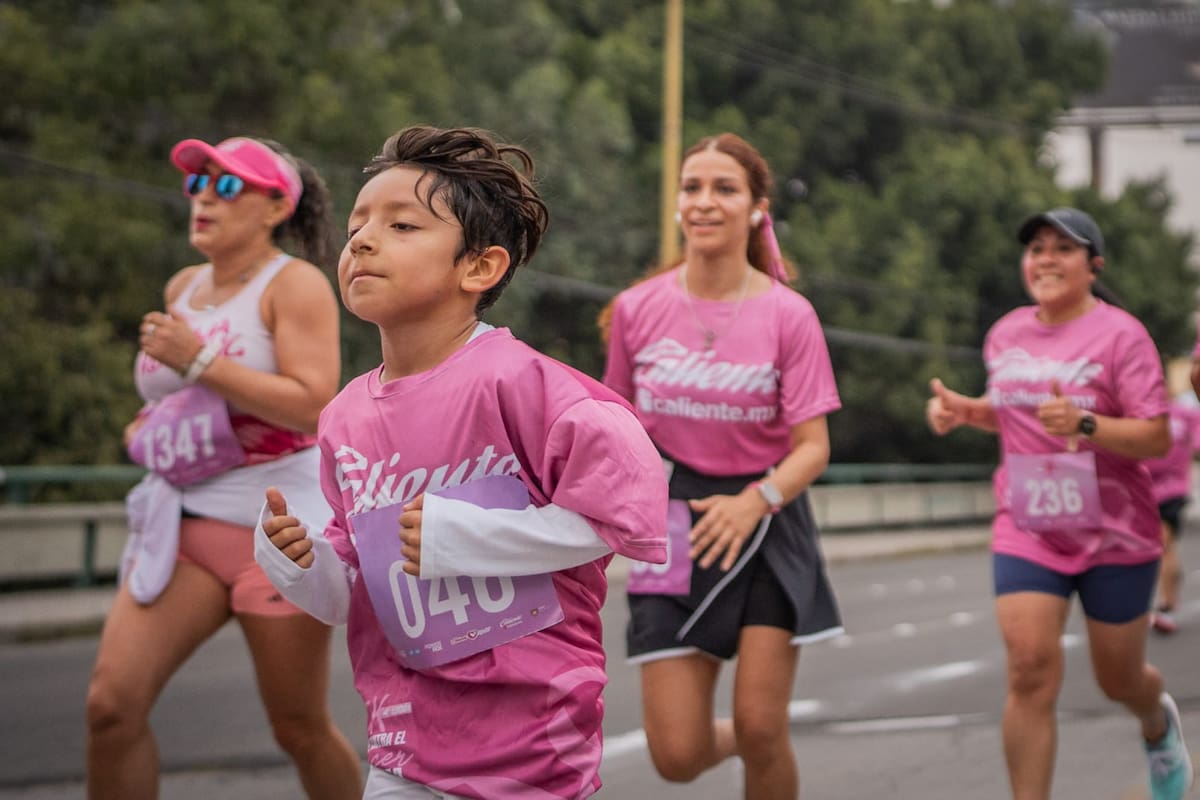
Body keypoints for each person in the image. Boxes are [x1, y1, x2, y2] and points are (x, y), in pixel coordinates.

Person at [254, 125, 668, 800]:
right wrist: (299, 564)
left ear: (479, 267)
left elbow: (627, 512)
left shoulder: (531, 388)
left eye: (402, 225)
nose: (361, 239)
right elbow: (352, 592)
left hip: (533, 743)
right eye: (359, 224)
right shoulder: (343, 418)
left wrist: (472, 539)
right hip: (401, 741)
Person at [85, 136, 363, 799]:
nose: (205, 197)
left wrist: (199, 361)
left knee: (297, 726)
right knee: (110, 708)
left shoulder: (293, 284)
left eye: (227, 186)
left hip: (277, 531)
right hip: (183, 524)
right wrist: (151, 425)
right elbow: (194, 400)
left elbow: (315, 405)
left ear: (275, 206)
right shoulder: (184, 287)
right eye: (197, 185)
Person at [599, 133, 843, 800]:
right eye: (692, 187)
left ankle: (763, 739)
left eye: (723, 189)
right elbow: (615, 426)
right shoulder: (636, 309)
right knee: (676, 756)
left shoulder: (789, 315)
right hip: (671, 525)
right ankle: (754, 738)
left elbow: (813, 446)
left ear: (757, 208)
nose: (704, 201)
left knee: (764, 728)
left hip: (765, 518)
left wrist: (755, 500)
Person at [926, 207, 1193, 800]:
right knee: (1028, 670)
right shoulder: (1006, 333)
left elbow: (1156, 435)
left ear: (1093, 266)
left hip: (1116, 532)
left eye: (1063, 249)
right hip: (1031, 524)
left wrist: (1086, 423)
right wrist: (966, 411)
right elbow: (1014, 412)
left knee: (1119, 679)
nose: (1045, 259)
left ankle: (1155, 721)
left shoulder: (1122, 335)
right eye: (1036, 248)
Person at [1144, 383, 1200, 634]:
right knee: (1159, 548)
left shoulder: (1184, 414)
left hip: (1171, 491)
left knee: (1163, 544)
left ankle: (1165, 606)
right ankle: (1167, 597)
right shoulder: (1137, 416)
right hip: (1140, 491)